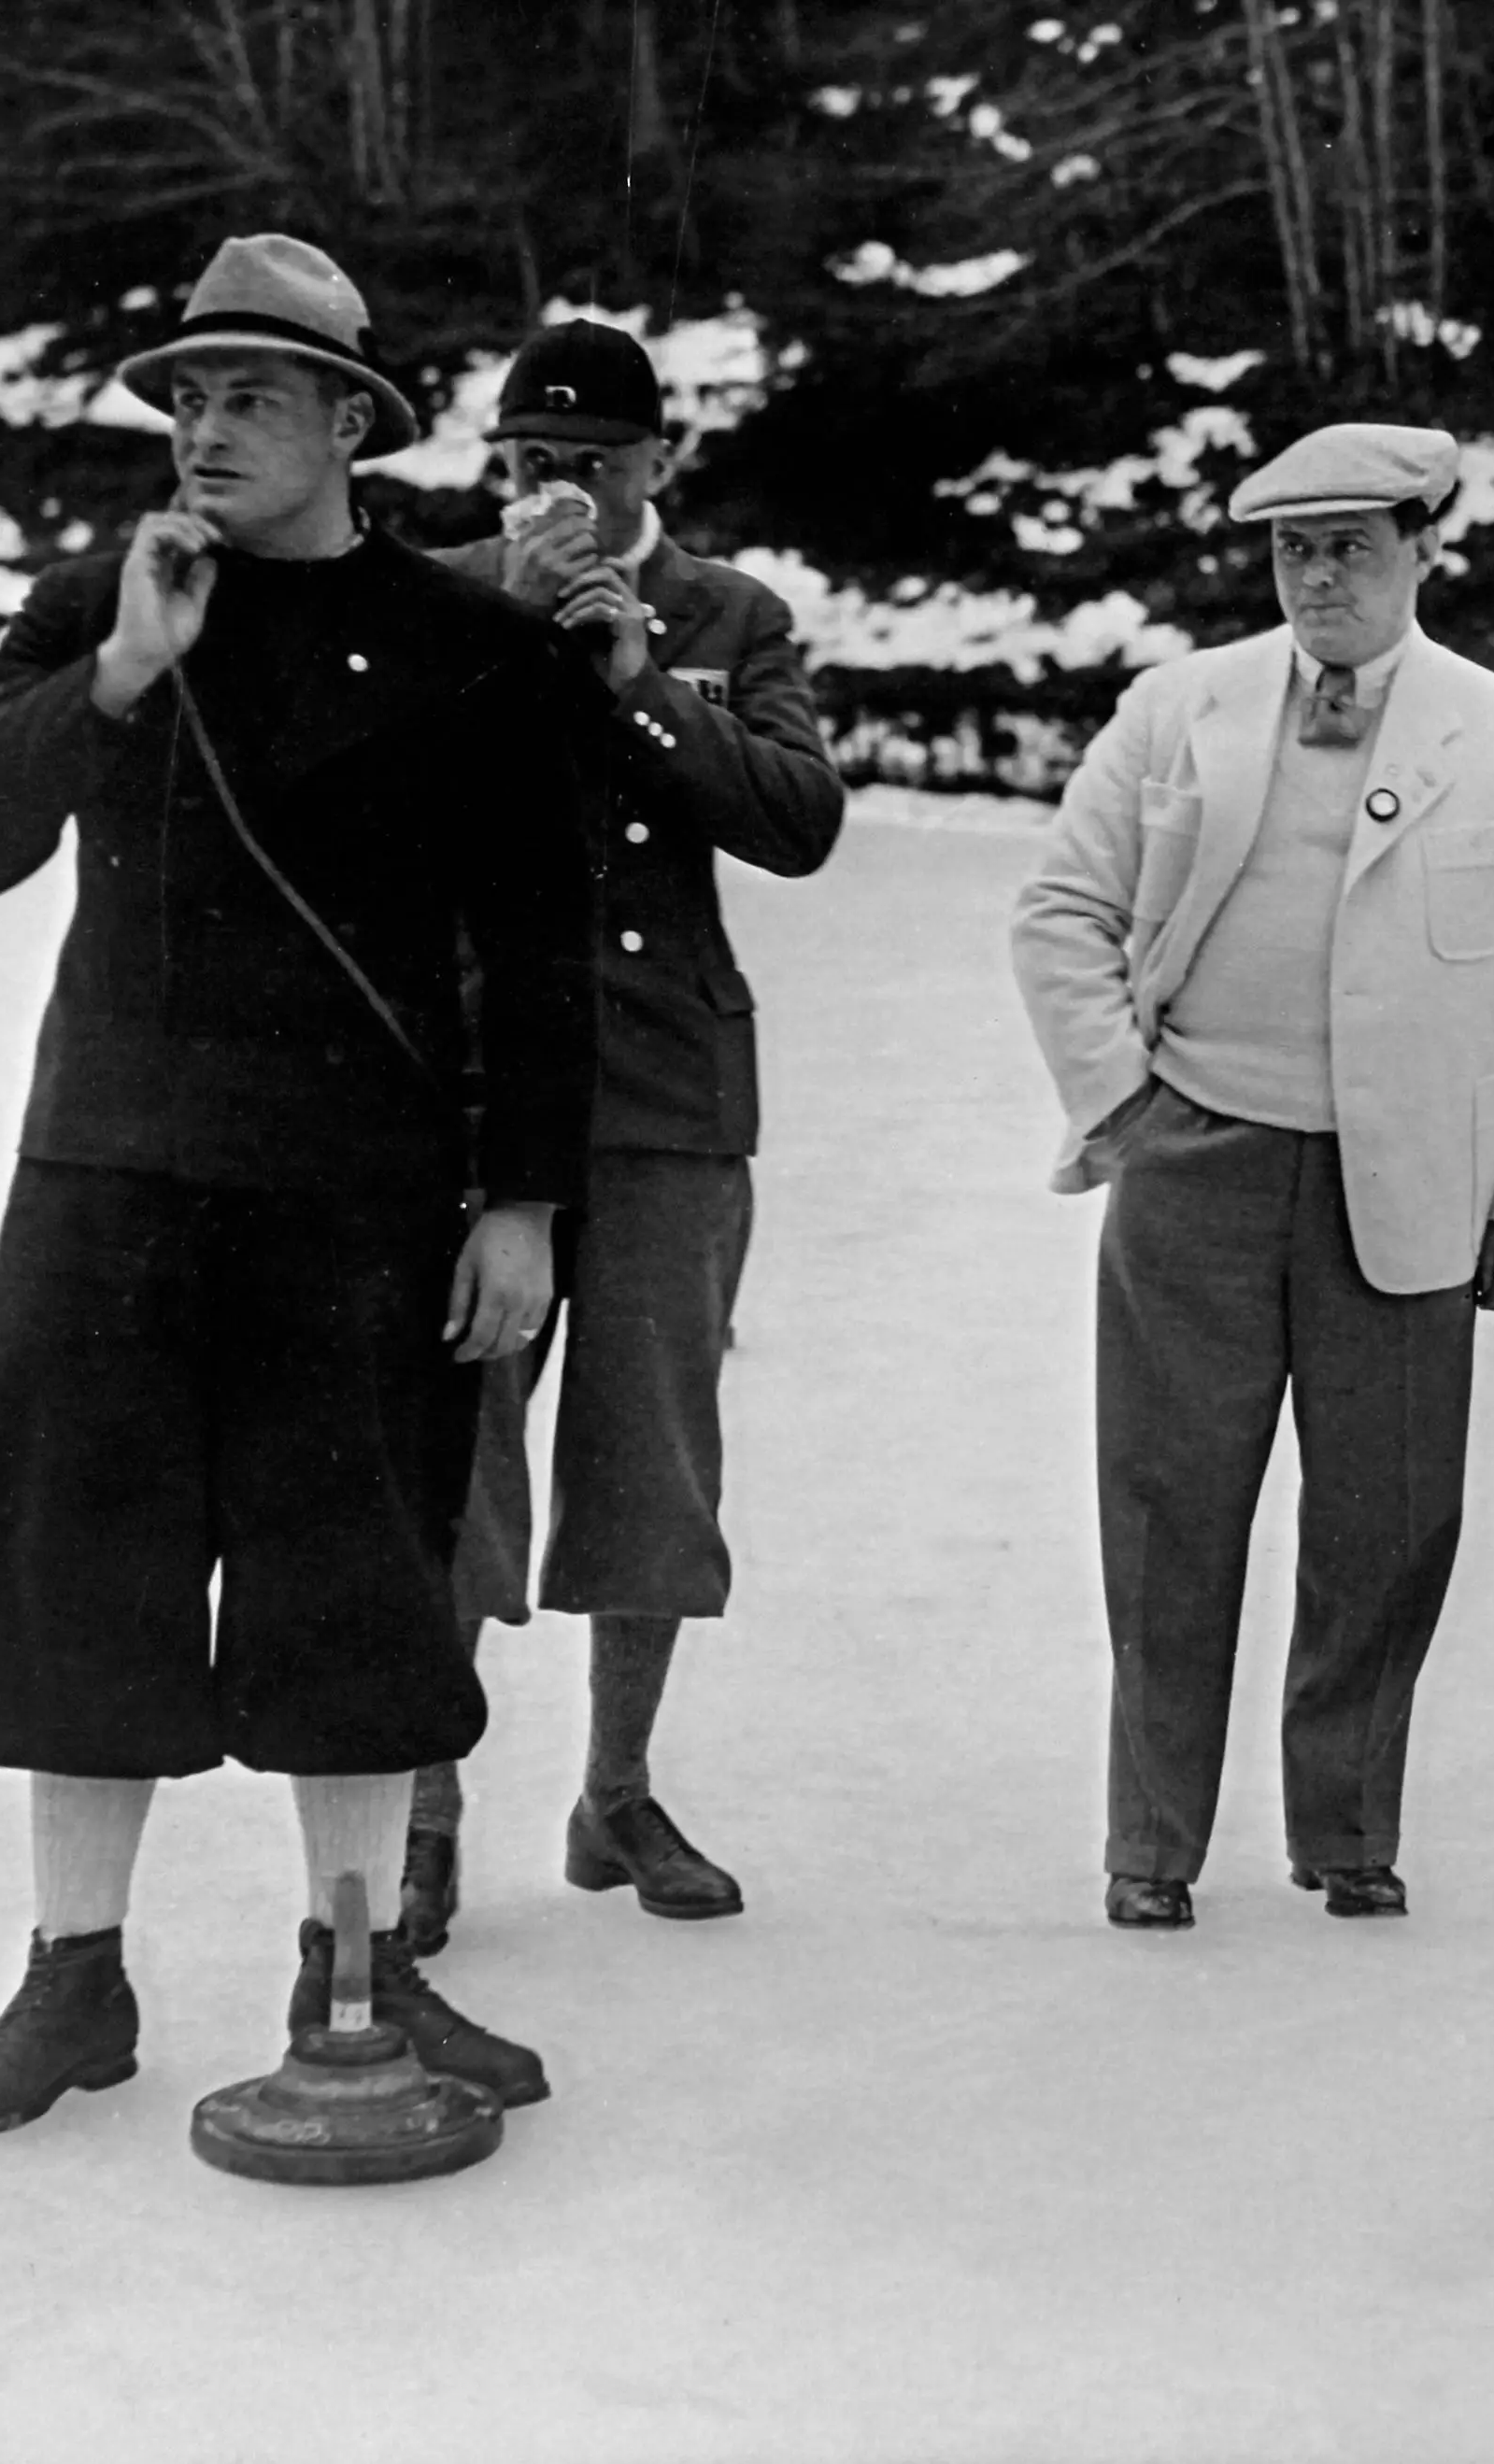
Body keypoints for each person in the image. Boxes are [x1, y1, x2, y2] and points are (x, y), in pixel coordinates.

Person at [0, 234, 595, 2141]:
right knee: (71, 1580)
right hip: (109, 1179)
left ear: (350, 422)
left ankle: (355, 1965)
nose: (206, 430)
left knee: (353, 1589)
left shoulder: (479, 648)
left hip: (359, 1194)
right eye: (188, 397)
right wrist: (123, 668)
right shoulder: (93, 607)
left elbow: (539, 956)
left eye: (251, 397)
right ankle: (73, 1980)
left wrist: (521, 1202)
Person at [1009, 420, 1494, 1930]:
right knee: (1167, 1515)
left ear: (1426, 548)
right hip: (1196, 1164)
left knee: (1390, 1520)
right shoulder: (1181, 709)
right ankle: (1150, 1846)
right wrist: (1128, 1103)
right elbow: (1060, 913)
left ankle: (1347, 1828)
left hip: (1411, 1185)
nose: (1321, 575)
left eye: (1353, 543)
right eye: (1295, 546)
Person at [400, 319, 846, 1949]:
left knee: (652, 1456)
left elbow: (799, 823)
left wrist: (640, 683)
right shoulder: (440, 590)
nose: (559, 489)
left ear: (661, 463)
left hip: (664, 1097)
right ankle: (430, 1811)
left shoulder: (734, 615)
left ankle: (615, 1787)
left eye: (592, 460)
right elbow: (369, 804)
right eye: (529, 461)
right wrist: (505, 639)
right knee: (450, 1457)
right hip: (463, 1091)